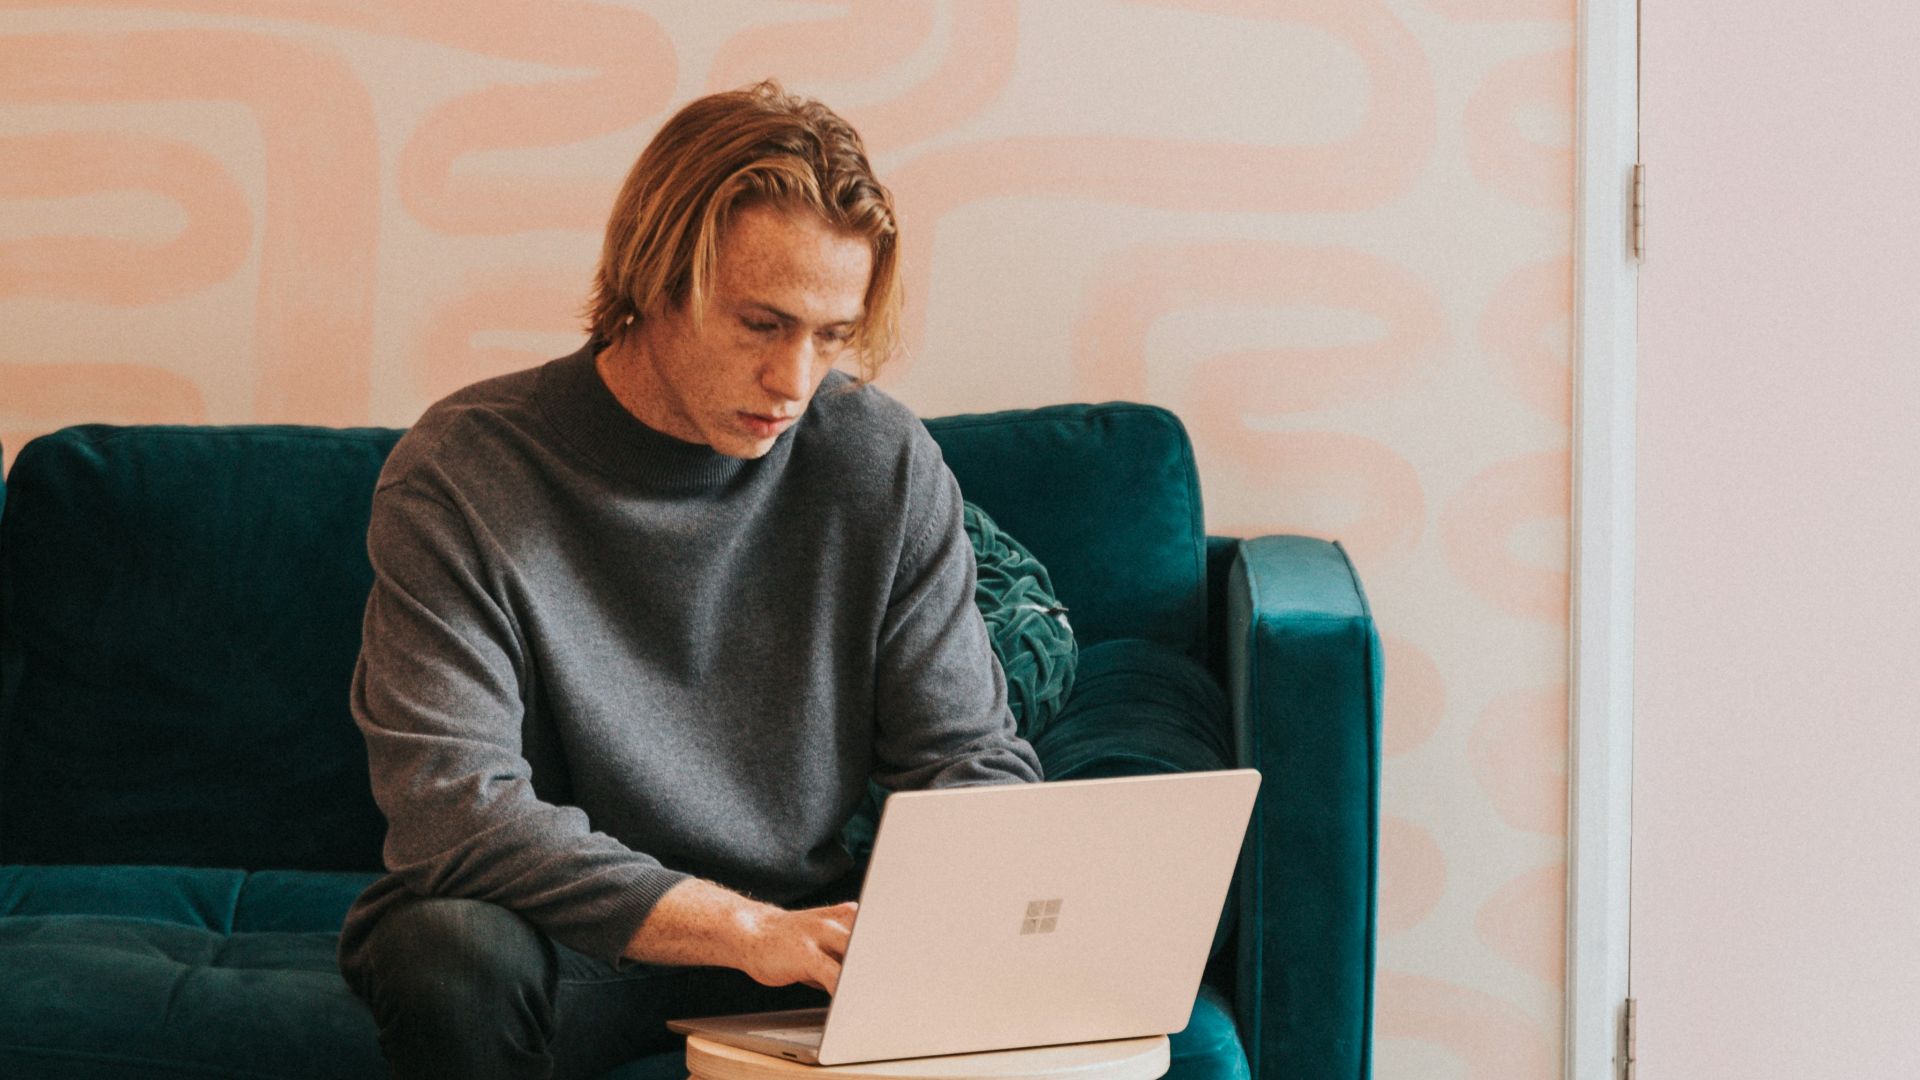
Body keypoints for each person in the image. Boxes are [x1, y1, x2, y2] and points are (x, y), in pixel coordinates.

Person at [336, 81, 1043, 1080]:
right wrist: (742, 929)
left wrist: (984, 907)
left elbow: (965, 756)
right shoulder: (463, 471)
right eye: (761, 324)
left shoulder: (878, 461)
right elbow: (455, 811)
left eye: (831, 336)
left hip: (799, 944)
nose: (796, 382)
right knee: (443, 949)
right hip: (566, 941)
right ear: (653, 277)